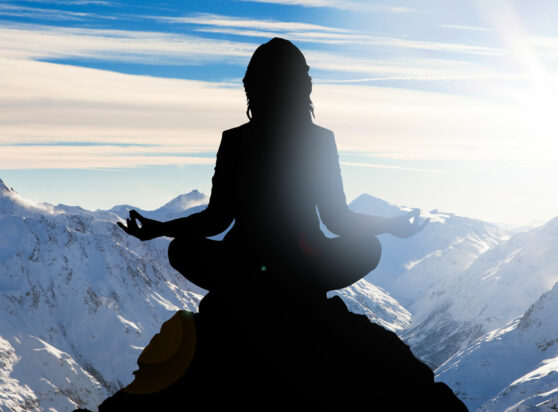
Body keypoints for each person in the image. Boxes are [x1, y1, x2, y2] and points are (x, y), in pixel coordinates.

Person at [119, 37, 427, 298]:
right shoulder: (319, 141)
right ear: (300, 87)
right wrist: (389, 226)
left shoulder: (236, 140)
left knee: (182, 250)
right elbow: (337, 220)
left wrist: (160, 229)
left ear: (252, 87)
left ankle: (251, 293)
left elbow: (215, 220)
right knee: (368, 248)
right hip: (305, 264)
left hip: (242, 264)